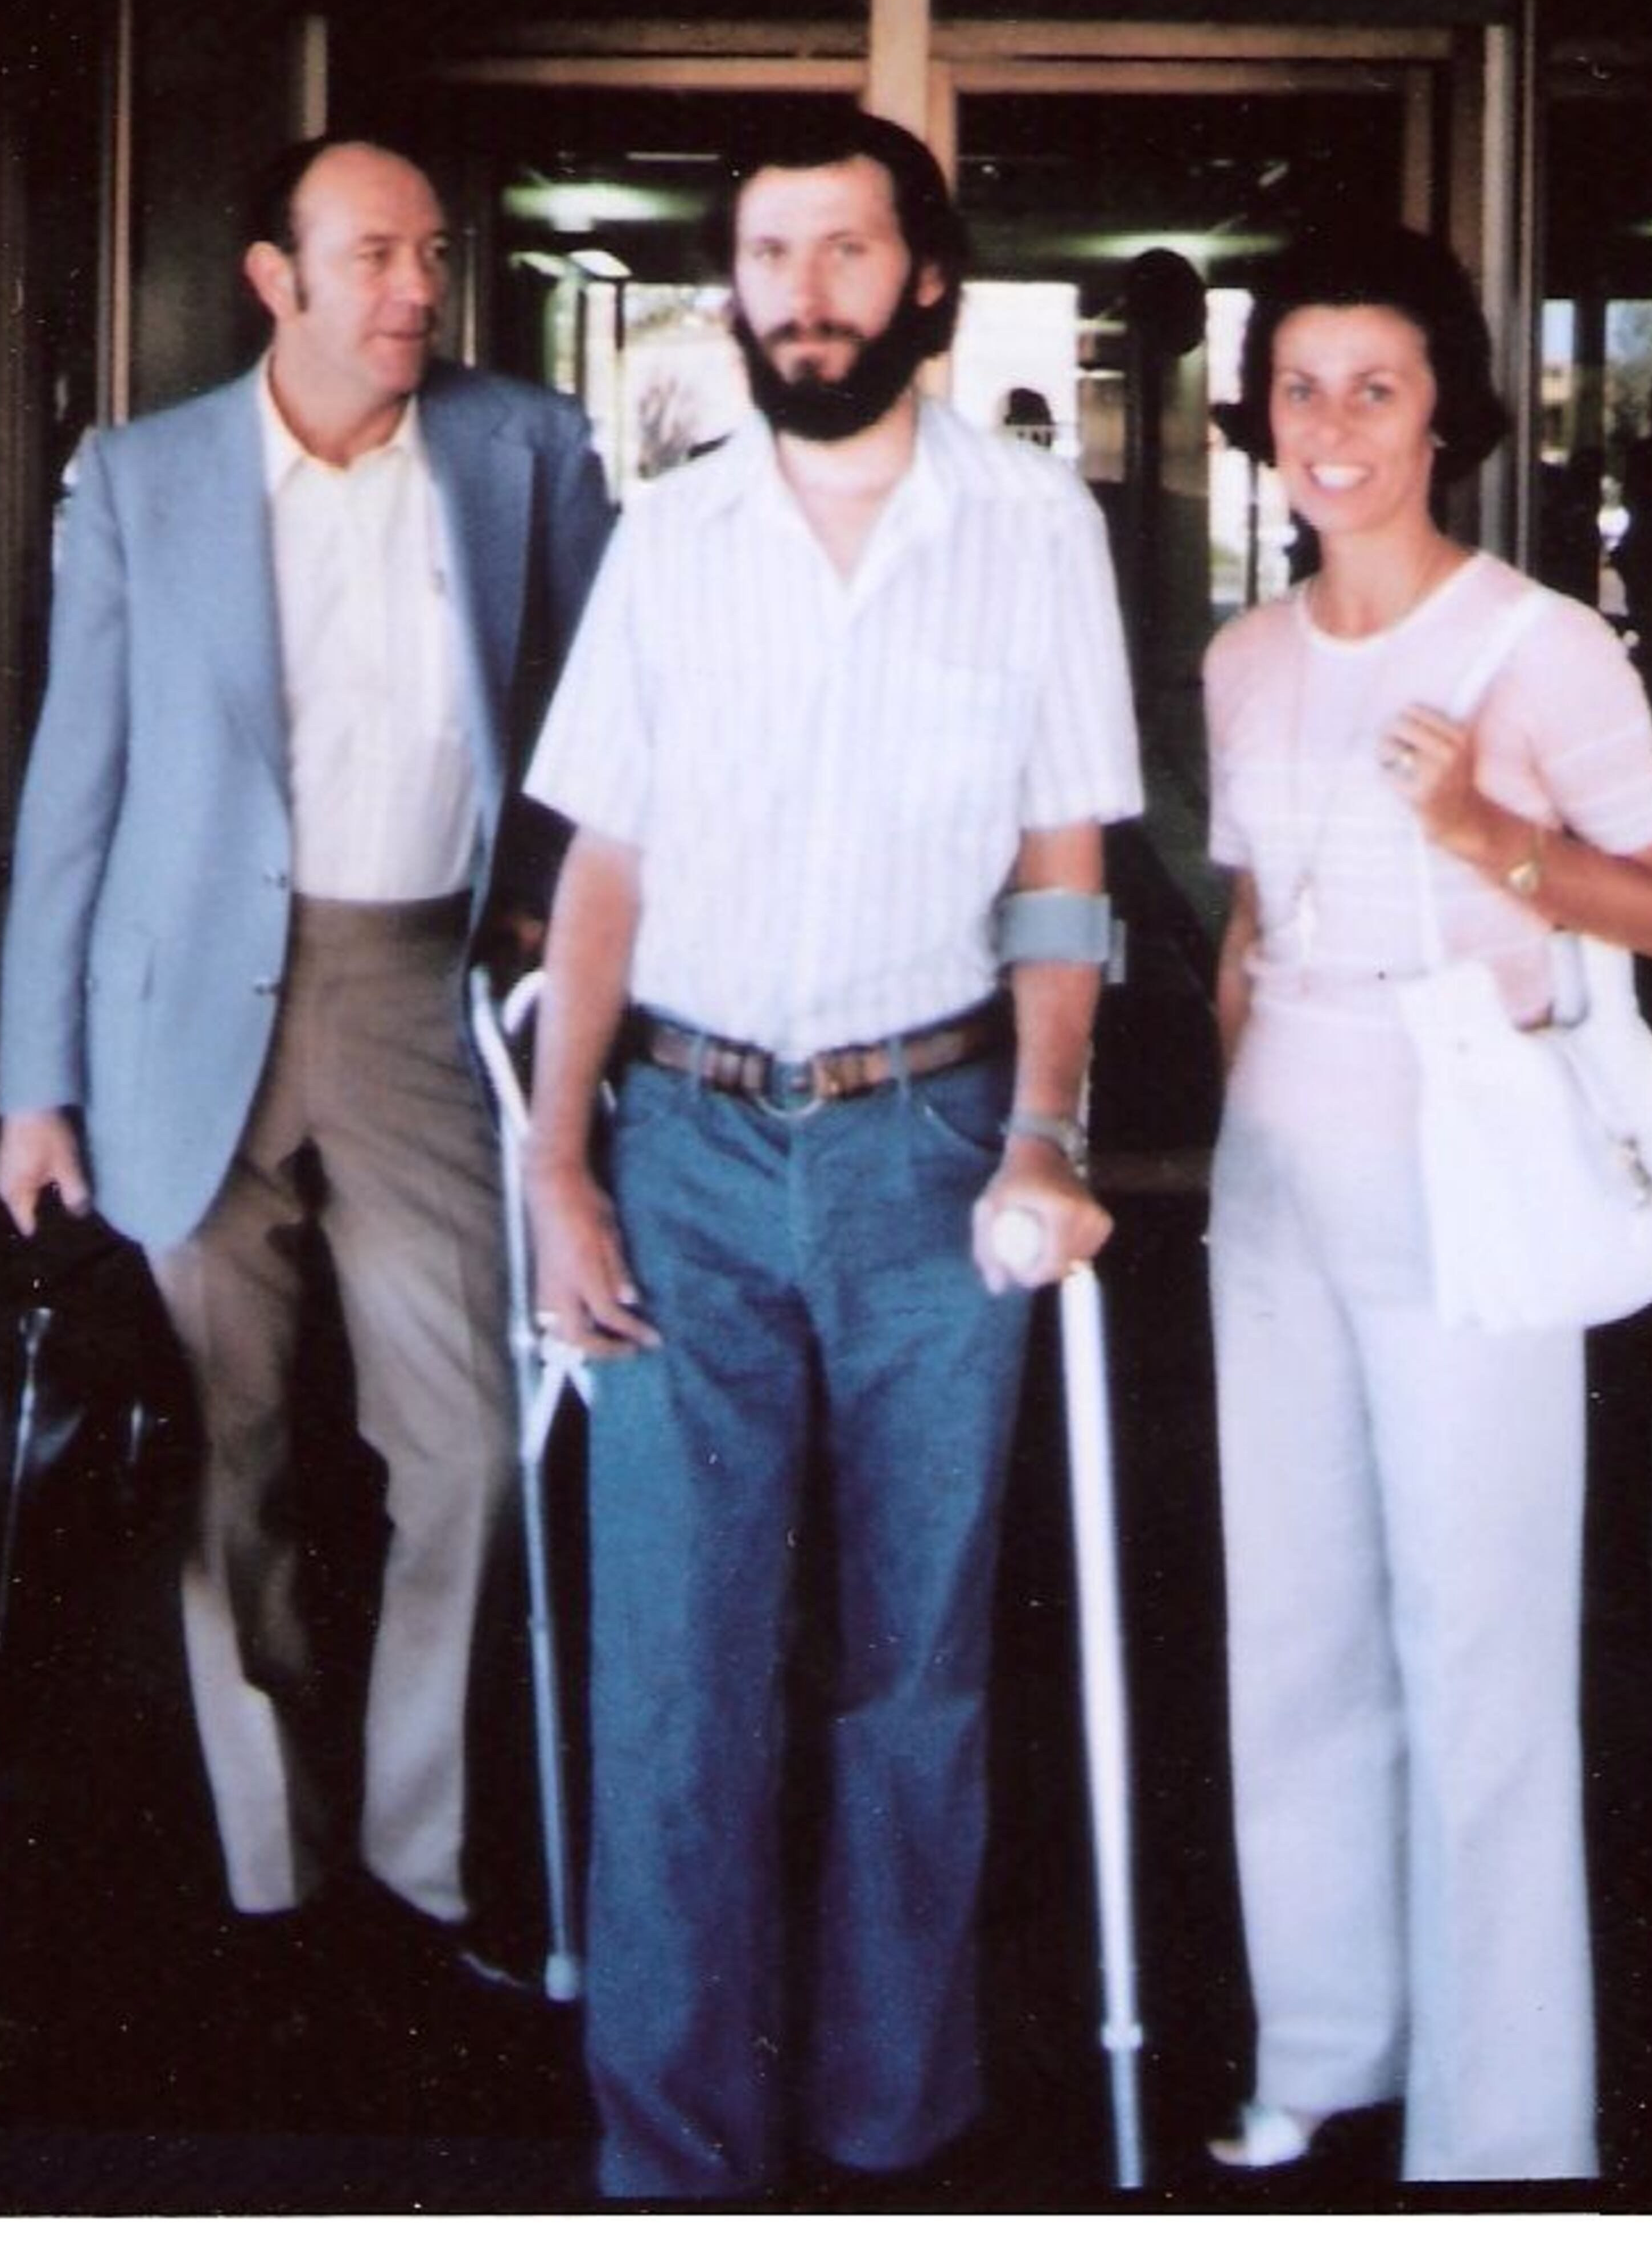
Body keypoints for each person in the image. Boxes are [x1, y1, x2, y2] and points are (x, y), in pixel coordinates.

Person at [518, 106, 1143, 2202]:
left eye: (846, 250)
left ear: (926, 277)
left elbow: (1062, 861)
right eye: (771, 254)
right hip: (685, 1147)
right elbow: (604, 867)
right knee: (676, 1672)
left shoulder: (1036, 528)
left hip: (932, 1143)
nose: (804, 293)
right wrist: (559, 1163)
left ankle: (888, 2136)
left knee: (914, 1667)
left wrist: (1043, 1128)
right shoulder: (672, 536)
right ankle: (676, 2155)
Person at [0, 133, 612, 1983]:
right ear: (277, 278)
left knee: (473, 1442)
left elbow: (601, 720)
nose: (417, 287)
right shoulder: (144, 477)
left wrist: (542, 901)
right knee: (223, 1447)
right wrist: (34, 1083)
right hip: (183, 1005)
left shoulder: (526, 450)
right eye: (373, 255)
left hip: (418, 985)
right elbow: (76, 783)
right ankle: (275, 1862)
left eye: (433, 251)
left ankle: (423, 1861)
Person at [1200, 223, 1652, 2187]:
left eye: (1376, 386)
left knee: (1479, 1632)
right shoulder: (1246, 654)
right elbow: (1251, 919)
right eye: (1301, 385)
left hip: (1462, 1149)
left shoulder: (1539, 643)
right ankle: (1326, 2042)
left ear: (1445, 417)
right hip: (1279, 1164)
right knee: (1295, 1620)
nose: (1333, 425)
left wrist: (1490, 830)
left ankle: (1501, 2122)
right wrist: (1248, 1092)